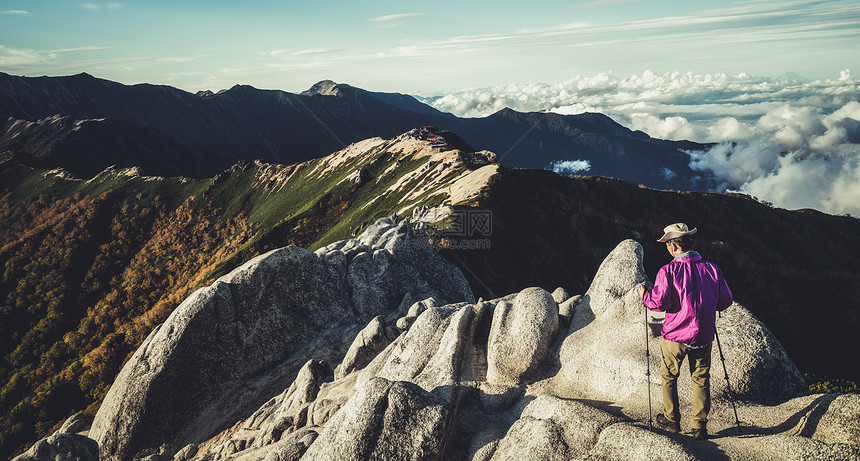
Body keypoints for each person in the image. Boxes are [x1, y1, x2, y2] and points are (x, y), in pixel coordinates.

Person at [639, 223, 733, 440]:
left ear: (673, 246)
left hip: (675, 335)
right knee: (701, 379)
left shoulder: (668, 271)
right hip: (703, 335)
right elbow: (725, 300)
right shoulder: (712, 269)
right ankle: (699, 427)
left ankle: (672, 421)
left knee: (669, 376)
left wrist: (646, 295)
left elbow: (659, 302)